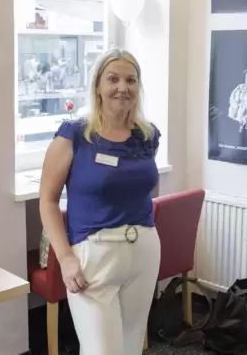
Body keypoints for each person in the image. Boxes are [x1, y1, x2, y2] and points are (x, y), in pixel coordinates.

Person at [39, 48, 161, 355]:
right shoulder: (74, 135)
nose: (123, 87)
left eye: (131, 80)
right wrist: (65, 258)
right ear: (98, 86)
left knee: (131, 346)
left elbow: (143, 189)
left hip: (143, 250)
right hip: (93, 255)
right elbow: (48, 201)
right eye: (113, 79)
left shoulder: (147, 136)